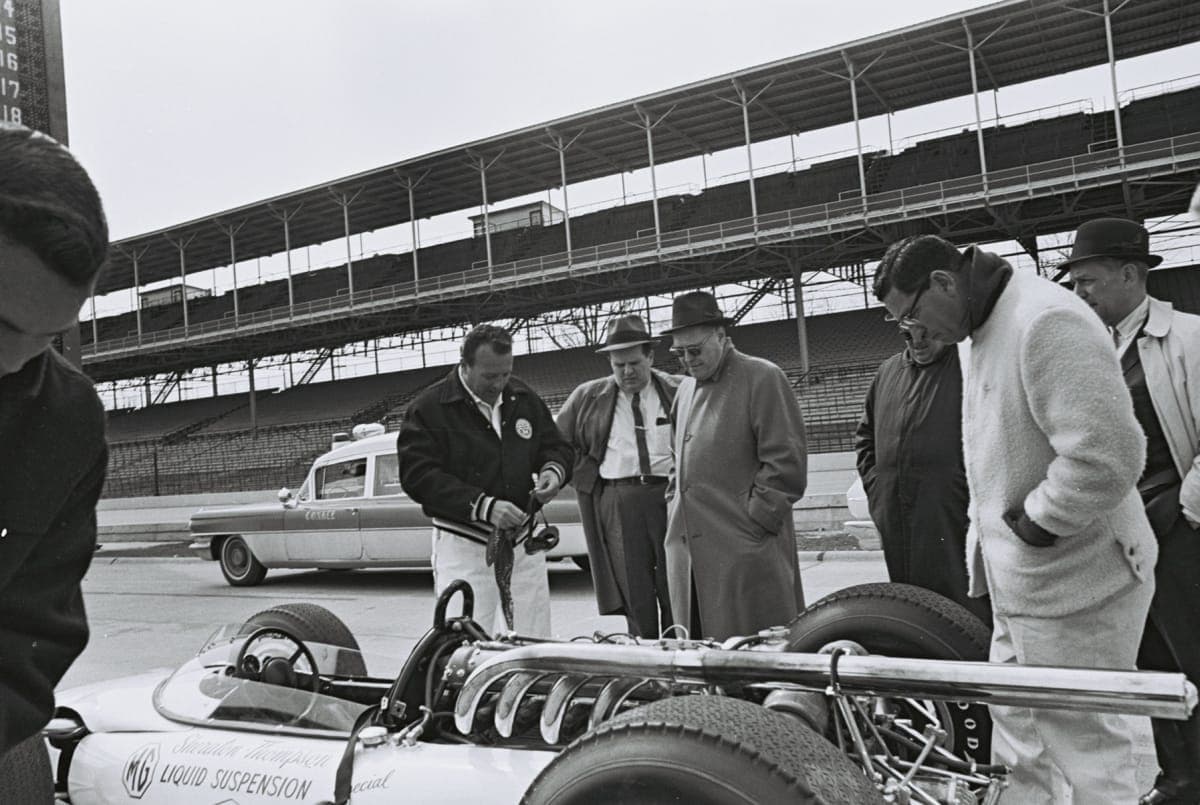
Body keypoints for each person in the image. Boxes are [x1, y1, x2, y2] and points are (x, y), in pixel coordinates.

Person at [872, 234, 1157, 804]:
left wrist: (1039, 521)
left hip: (1077, 580)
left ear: (943, 283)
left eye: (912, 314)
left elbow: (1109, 454)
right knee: (1018, 737)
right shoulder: (978, 328)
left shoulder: (1044, 319)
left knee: (1089, 750)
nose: (914, 330)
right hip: (1020, 582)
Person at [1064, 217, 1200, 805]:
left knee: (1193, 658)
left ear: (1129, 274)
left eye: (1088, 280)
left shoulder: (1190, 337)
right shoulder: (1089, 348)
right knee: (1153, 664)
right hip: (1123, 538)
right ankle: (1180, 779)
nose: (1079, 293)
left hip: (1181, 532)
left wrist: (1189, 510)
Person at [0, 124, 110, 755]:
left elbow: (31, 638)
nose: (14, 363)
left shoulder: (68, 420)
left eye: (46, 338)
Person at [398, 324, 572, 636]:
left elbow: (555, 446)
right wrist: (483, 506)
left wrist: (552, 471)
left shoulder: (523, 397)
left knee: (534, 638)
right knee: (466, 640)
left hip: (522, 541)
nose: (499, 384)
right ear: (464, 365)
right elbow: (417, 476)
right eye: (490, 376)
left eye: (506, 374)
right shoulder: (429, 408)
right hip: (465, 542)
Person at [663, 291, 807, 641]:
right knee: (703, 652)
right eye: (679, 353)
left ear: (721, 336)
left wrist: (754, 524)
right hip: (691, 556)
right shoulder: (685, 391)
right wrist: (673, 506)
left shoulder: (762, 377)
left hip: (746, 553)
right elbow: (675, 460)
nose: (688, 361)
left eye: (695, 351)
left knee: (754, 651)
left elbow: (785, 464)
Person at [854, 325, 991, 626]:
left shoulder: (971, 365)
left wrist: (964, 490)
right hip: (897, 517)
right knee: (912, 609)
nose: (917, 343)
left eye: (925, 334)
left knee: (965, 611)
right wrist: (878, 489)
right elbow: (865, 439)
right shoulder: (888, 372)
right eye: (908, 337)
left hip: (953, 515)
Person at [556, 315, 681, 637]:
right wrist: (581, 474)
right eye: (618, 365)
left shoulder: (679, 390)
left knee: (676, 582)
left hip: (670, 496)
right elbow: (556, 444)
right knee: (632, 586)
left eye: (634, 363)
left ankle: (679, 648)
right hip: (618, 498)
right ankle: (642, 652)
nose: (627, 372)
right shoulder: (587, 396)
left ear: (650, 356)